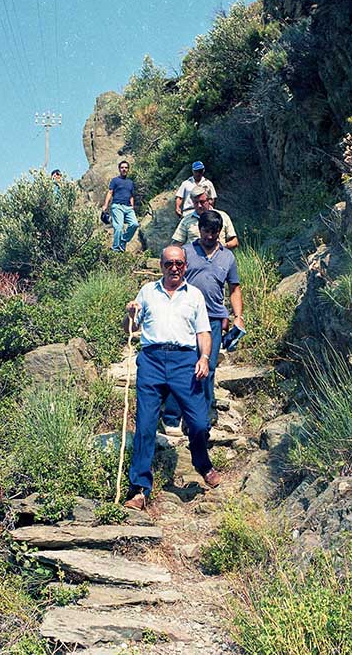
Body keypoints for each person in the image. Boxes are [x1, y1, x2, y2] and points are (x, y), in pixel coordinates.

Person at [123, 245, 221, 510]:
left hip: (184, 361)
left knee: (199, 423)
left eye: (179, 263)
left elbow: (204, 332)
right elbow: (131, 327)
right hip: (152, 360)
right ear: (161, 266)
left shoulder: (195, 295)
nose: (174, 268)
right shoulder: (146, 292)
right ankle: (139, 489)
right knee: (144, 426)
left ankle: (202, 464)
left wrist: (203, 358)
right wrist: (130, 314)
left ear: (185, 266)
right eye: (169, 264)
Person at [161, 210, 244, 434]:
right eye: (207, 231)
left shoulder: (227, 257)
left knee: (208, 366)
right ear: (199, 230)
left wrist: (237, 317)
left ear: (220, 232)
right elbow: (170, 279)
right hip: (186, 316)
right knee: (183, 363)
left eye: (215, 232)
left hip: (215, 318)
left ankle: (202, 414)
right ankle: (172, 415)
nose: (210, 235)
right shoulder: (186, 252)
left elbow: (234, 288)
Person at [171, 186, 239, 249]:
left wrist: (221, 248)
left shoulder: (223, 216)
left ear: (209, 200)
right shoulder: (186, 220)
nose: (199, 206)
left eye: (202, 202)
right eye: (196, 202)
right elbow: (176, 245)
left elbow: (234, 241)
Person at [102, 160, 139, 252]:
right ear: (119, 169)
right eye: (122, 167)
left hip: (128, 207)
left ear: (128, 169)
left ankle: (123, 240)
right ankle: (116, 249)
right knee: (118, 227)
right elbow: (110, 192)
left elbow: (131, 195)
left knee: (134, 224)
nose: (124, 169)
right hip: (117, 206)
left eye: (126, 168)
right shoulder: (115, 180)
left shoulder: (130, 182)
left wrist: (132, 206)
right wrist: (105, 205)